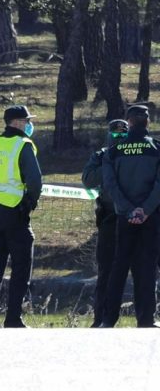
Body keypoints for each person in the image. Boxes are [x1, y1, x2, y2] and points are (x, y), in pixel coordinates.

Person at [0, 105, 43, 328]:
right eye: (26, 121)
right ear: (16, 122)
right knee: (22, 265)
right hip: (15, 211)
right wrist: (29, 204)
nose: (29, 124)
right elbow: (34, 180)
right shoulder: (22, 145)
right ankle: (13, 317)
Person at [99, 105, 160, 328]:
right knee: (147, 267)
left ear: (129, 122)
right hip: (150, 217)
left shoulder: (114, 151)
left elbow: (110, 185)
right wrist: (145, 209)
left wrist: (127, 209)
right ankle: (145, 319)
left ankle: (108, 318)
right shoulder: (156, 148)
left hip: (124, 217)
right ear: (148, 122)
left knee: (118, 268)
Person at [81, 119, 129, 327]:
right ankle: (100, 318)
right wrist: (110, 164)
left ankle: (146, 317)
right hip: (109, 218)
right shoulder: (102, 155)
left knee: (143, 270)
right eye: (115, 135)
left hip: (134, 218)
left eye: (123, 135)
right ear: (109, 135)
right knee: (106, 272)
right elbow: (88, 178)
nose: (119, 139)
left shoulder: (134, 153)